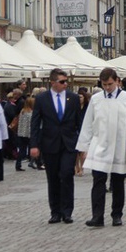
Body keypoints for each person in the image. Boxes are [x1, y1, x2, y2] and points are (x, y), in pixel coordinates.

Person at [78, 68, 126, 228]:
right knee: (98, 181)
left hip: (119, 145)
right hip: (100, 144)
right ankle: (97, 216)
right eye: (104, 85)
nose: (107, 88)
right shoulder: (96, 99)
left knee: (117, 182)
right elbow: (88, 123)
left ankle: (117, 214)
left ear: (116, 81)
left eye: (110, 84)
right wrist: (84, 146)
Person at [31, 68, 82, 224]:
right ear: (53, 83)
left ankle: (67, 211)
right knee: (52, 177)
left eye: (66, 81)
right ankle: (55, 211)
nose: (65, 84)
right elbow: (35, 122)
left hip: (68, 143)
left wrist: (82, 144)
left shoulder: (73, 98)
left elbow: (79, 121)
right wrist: (34, 145)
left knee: (66, 174)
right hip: (50, 143)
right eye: (62, 81)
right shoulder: (42, 98)